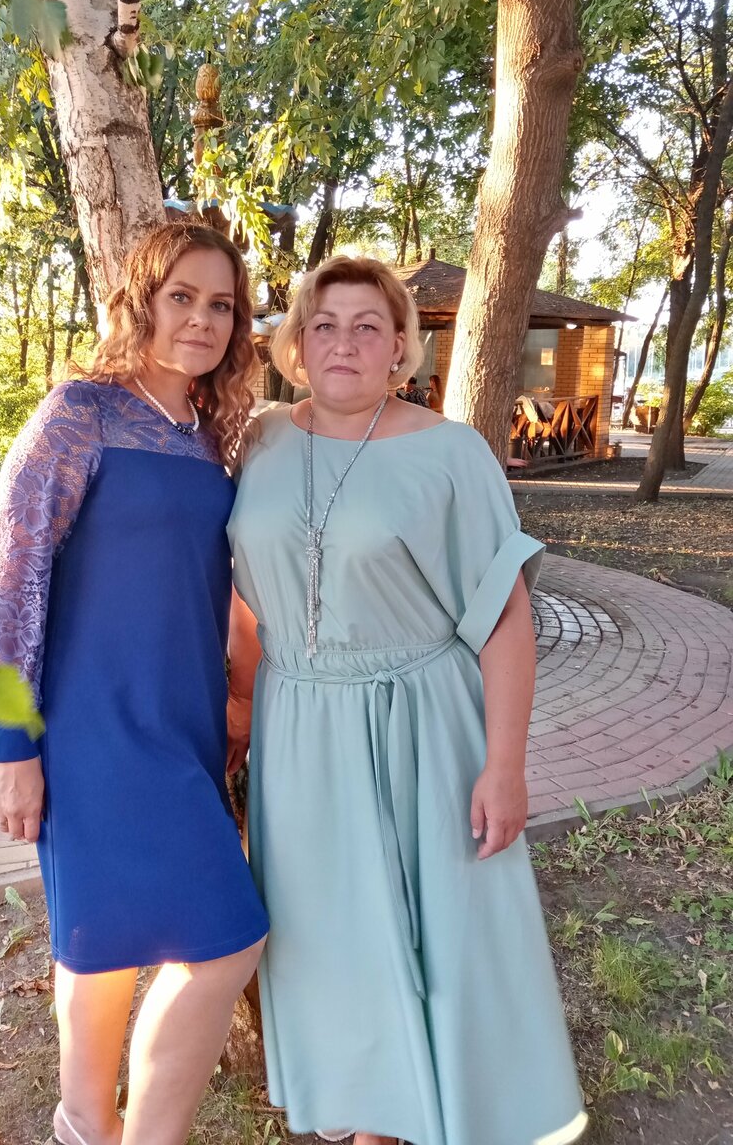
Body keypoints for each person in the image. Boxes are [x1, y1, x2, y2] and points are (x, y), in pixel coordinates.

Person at [226, 254, 586, 1145]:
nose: (343, 342)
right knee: (325, 931)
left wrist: (506, 766)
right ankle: (364, 1112)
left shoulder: (450, 452)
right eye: (324, 324)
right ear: (296, 343)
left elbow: (504, 616)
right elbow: (246, 595)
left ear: (399, 348)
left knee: (441, 929)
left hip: (421, 723)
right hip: (297, 728)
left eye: (367, 326)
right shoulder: (259, 441)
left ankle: (445, 1111)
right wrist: (237, 712)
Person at [0, 222, 268, 1145]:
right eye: (182, 296)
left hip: (183, 723)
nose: (202, 319)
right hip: (91, 729)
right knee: (219, 940)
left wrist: (235, 697)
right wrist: (10, 747)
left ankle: (82, 1122)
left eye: (221, 304)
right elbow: (14, 580)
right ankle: (116, 1128)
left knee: (117, 939)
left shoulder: (209, 432)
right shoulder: (80, 412)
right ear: (140, 301)